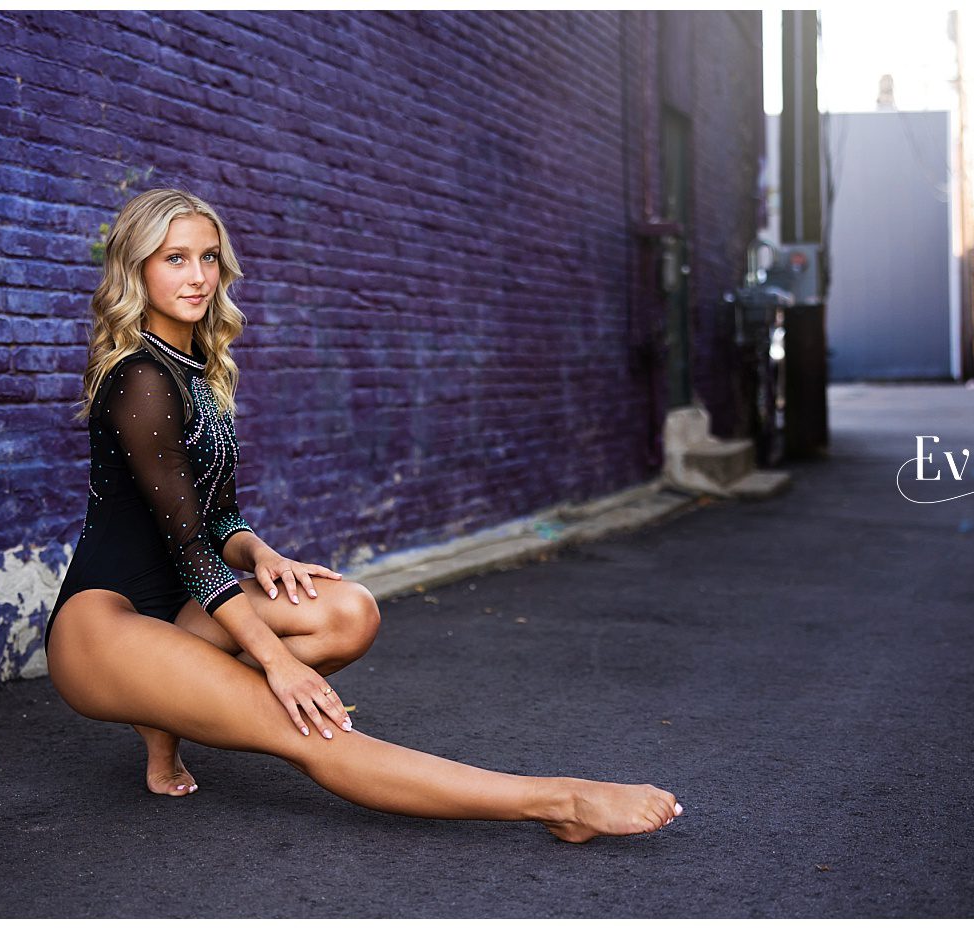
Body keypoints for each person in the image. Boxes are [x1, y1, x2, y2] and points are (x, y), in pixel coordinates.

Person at [45, 188, 679, 842]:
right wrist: (277, 663)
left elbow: (219, 517)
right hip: (104, 625)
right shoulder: (140, 378)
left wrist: (262, 554)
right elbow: (189, 548)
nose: (199, 276)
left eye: (209, 256)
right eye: (175, 258)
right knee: (309, 727)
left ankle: (168, 725)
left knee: (349, 610)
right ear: (138, 267)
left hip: (182, 607)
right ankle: (560, 801)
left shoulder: (199, 370)